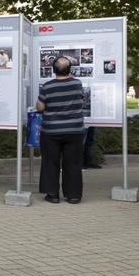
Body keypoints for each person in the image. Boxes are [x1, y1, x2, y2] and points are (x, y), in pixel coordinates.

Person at [37, 57, 84, 204]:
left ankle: (52, 195)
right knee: (73, 163)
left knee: (50, 162)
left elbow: (40, 107)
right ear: (70, 69)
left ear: (53, 70)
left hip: (52, 131)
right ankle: (73, 196)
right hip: (74, 130)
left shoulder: (47, 86)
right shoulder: (77, 84)